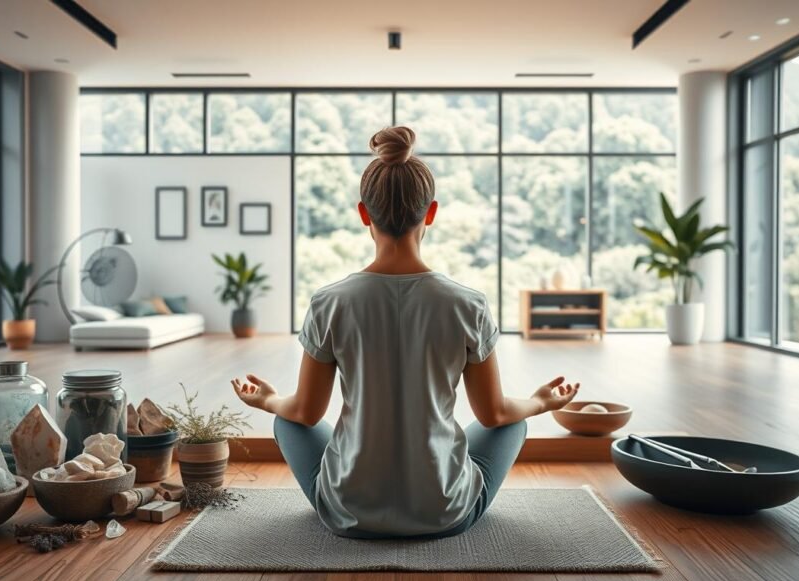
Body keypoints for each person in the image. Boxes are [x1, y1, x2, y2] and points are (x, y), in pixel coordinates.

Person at [231, 126, 579, 539]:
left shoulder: (330, 302)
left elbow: (306, 413)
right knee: (514, 422)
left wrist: (269, 399)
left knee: (286, 422)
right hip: (445, 514)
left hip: (349, 514)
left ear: (364, 214)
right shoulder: (468, 304)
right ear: (431, 212)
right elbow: (494, 416)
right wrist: (539, 402)